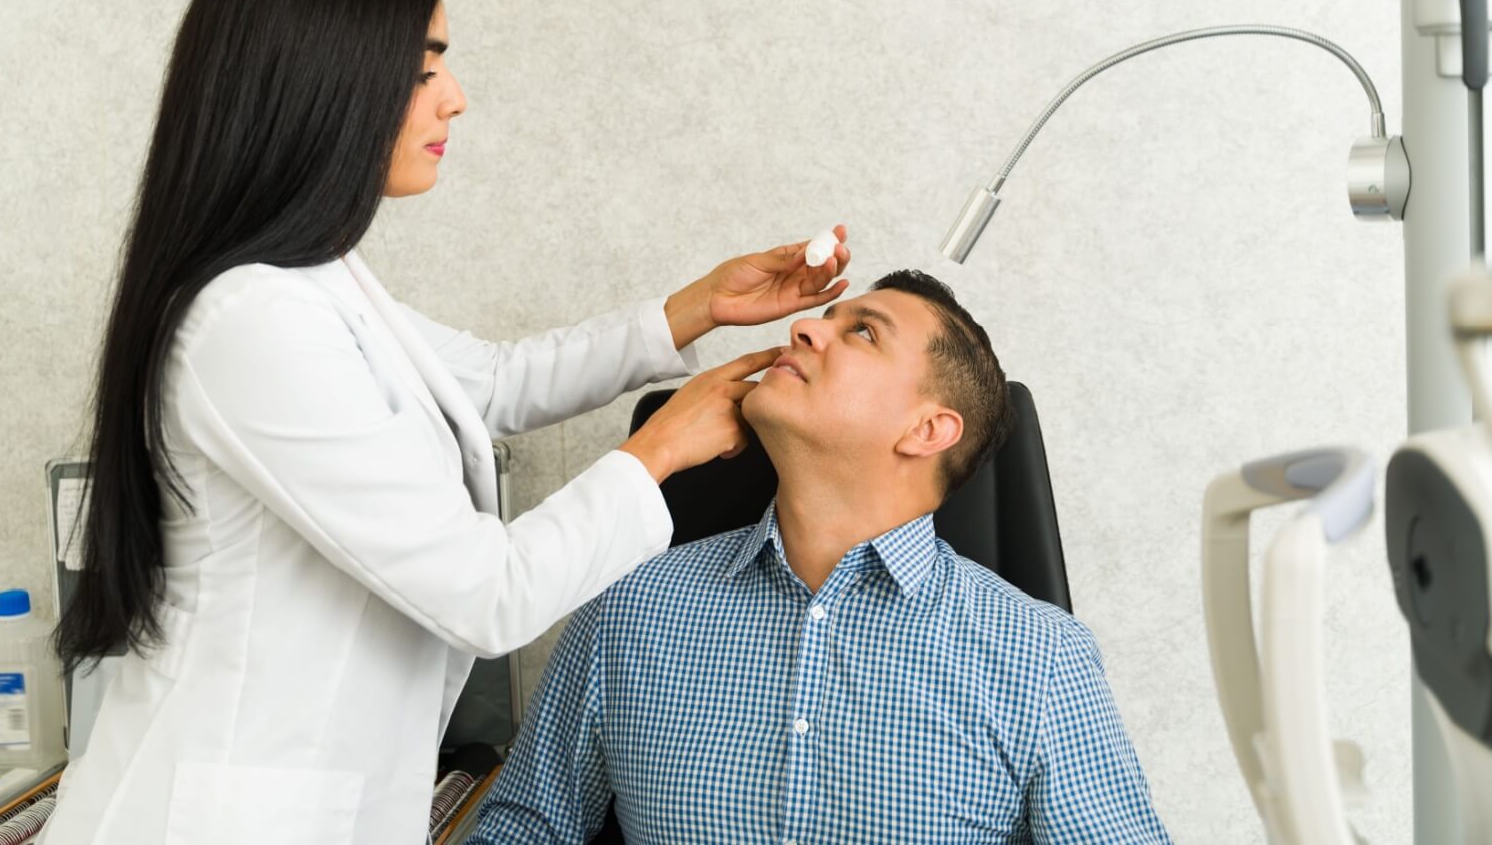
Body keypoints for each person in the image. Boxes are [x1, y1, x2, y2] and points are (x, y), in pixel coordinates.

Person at [41, 0, 852, 845]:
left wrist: (697, 307)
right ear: (326, 83)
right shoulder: (251, 322)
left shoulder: (314, 282)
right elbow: (487, 593)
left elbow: (494, 381)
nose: (454, 98)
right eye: (425, 68)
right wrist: (661, 447)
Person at [468, 270, 1172, 844]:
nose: (803, 329)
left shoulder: (1042, 658)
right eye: (824, 318)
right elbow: (524, 828)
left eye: (861, 331)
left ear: (928, 429)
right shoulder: (629, 606)